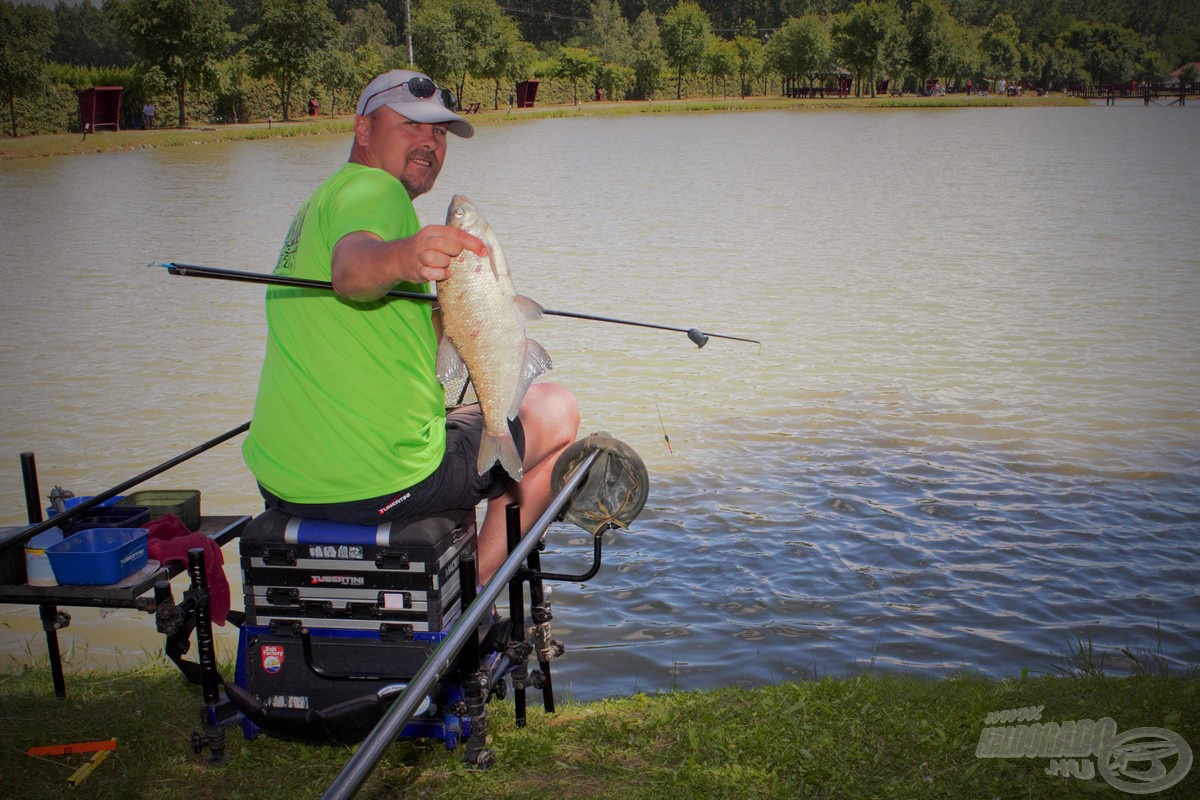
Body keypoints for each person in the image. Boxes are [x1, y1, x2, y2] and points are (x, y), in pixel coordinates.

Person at [243, 69, 580, 584]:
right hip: (379, 480)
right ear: (362, 128)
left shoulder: (321, 202)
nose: (429, 143)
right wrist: (405, 255)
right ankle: (478, 593)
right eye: (410, 126)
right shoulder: (375, 192)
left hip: (283, 477)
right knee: (556, 409)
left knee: (457, 412)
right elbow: (352, 272)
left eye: (439, 132)